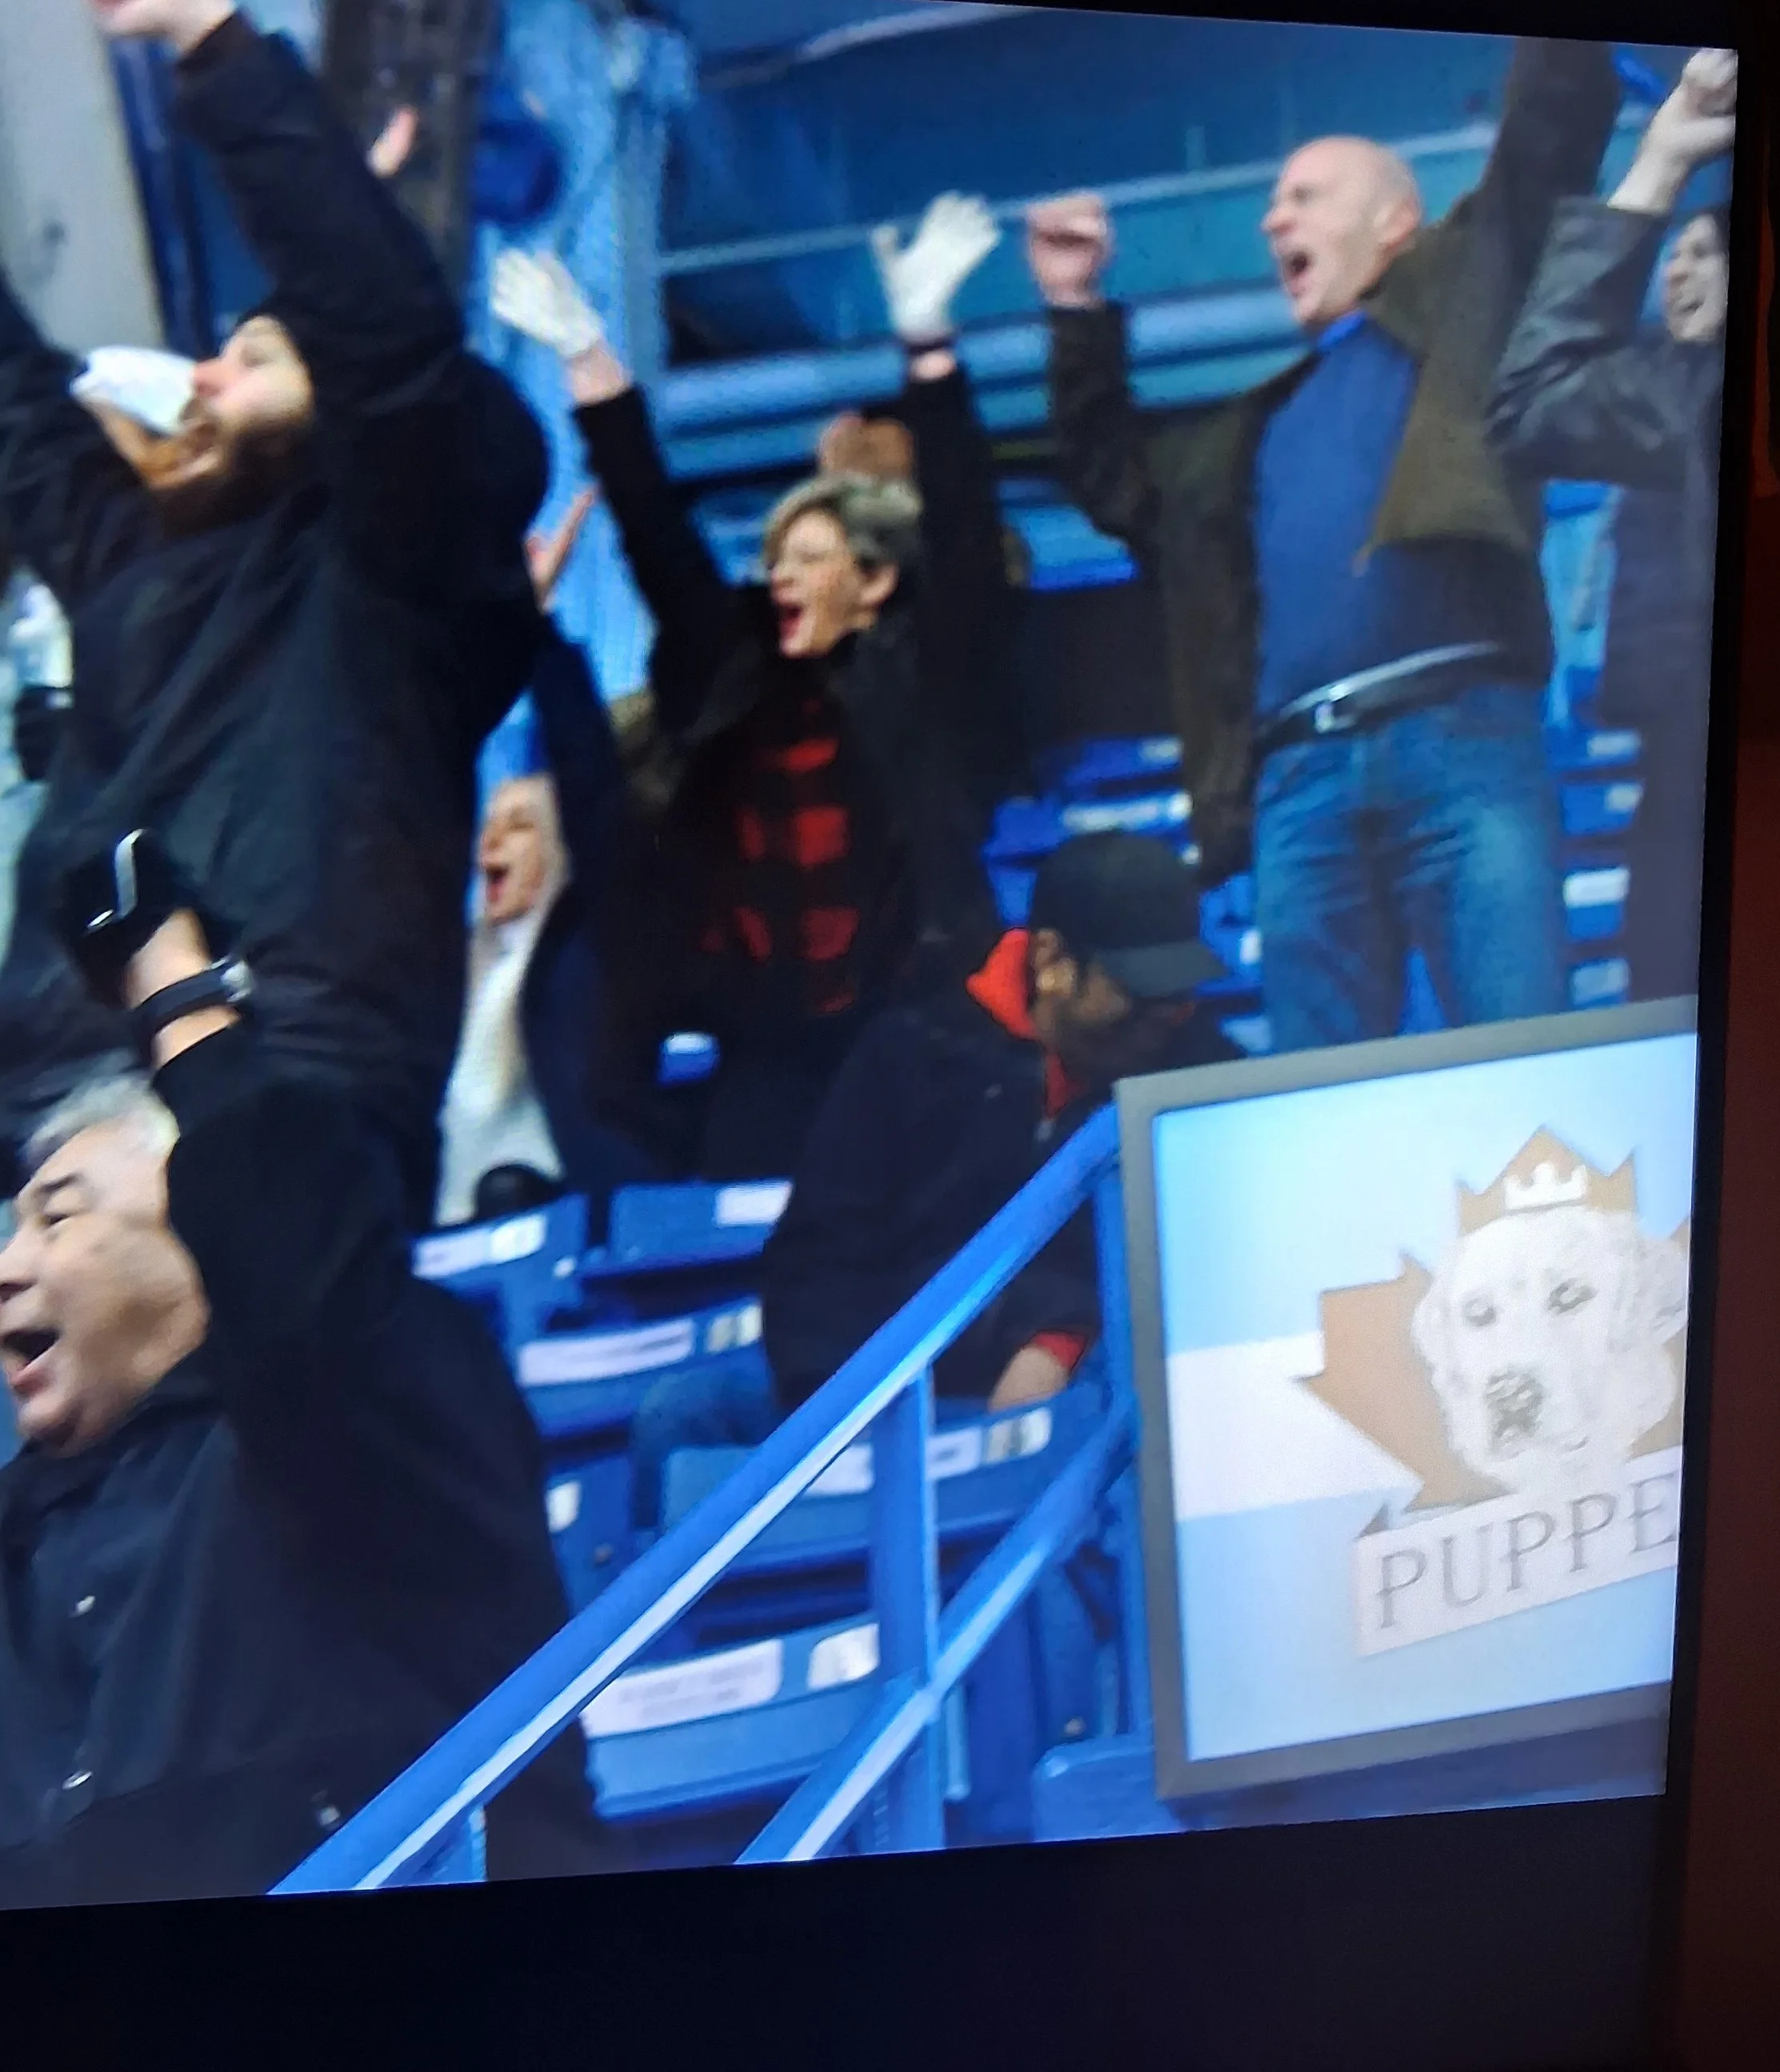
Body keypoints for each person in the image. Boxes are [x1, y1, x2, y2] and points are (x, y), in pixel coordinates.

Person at [0, 0, 550, 1226]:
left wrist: (209, 36)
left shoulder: (399, 574)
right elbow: (26, 435)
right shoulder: (144, 565)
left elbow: (386, 343)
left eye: (247, 355)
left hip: (279, 1064)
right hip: (52, 1108)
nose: (200, 376)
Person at [0, 833, 604, 1909]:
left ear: (203, 1231)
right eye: (9, 1232)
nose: (4, 1271)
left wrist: (178, 993)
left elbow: (300, 1273)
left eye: (59, 1217)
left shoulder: (365, 1432)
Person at [1033, 39, 1621, 1051]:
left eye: (1304, 196)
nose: (1273, 220)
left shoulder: (1464, 314)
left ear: (1396, 221)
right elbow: (1113, 478)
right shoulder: (1248, 431)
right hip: (1296, 782)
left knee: (1521, 1056)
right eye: (1275, 205)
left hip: (1459, 737)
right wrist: (1074, 311)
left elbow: (1545, 145)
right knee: (1317, 1091)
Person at [492, 190, 1021, 1179]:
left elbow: (962, 531)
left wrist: (926, 342)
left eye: (811, 557)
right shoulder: (727, 670)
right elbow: (650, 520)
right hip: (767, 1054)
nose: (781, 574)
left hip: (912, 1024)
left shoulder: (926, 677)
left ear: (874, 584)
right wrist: (585, 356)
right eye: (775, 558)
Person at [629, 833, 1233, 1526]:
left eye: (1178, 995)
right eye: (1136, 990)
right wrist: (866, 1410)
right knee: (683, 1414)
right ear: (1051, 961)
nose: (1161, 1016)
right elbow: (817, 1263)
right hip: (891, 1402)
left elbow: (1193, 1270)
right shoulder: (912, 1053)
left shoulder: (1199, 1078)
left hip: (1071, 1406)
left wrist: (1059, 1336)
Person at [1489, 48, 1738, 1001]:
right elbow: (1534, 403)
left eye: (1704, 253)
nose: (1678, 268)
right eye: (1673, 253)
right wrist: (1660, 162)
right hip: (1685, 741)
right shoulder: (1681, 392)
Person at [438, 490, 668, 1228]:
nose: (488, 844)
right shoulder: (450, 969)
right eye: (488, 825)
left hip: (563, 1222)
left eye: (517, 828)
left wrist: (535, 629)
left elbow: (594, 791)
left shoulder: (595, 948)